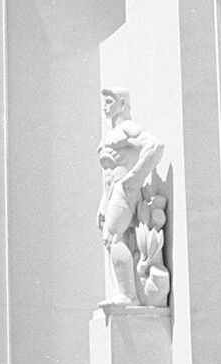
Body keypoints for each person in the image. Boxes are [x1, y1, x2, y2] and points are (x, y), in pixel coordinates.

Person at [96, 87, 164, 308]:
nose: (105, 106)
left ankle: (128, 295)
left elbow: (154, 146)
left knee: (113, 236)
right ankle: (121, 291)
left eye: (109, 101)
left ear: (122, 104)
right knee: (112, 239)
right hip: (111, 191)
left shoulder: (127, 128)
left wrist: (134, 178)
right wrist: (102, 203)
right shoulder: (110, 135)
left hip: (123, 189)